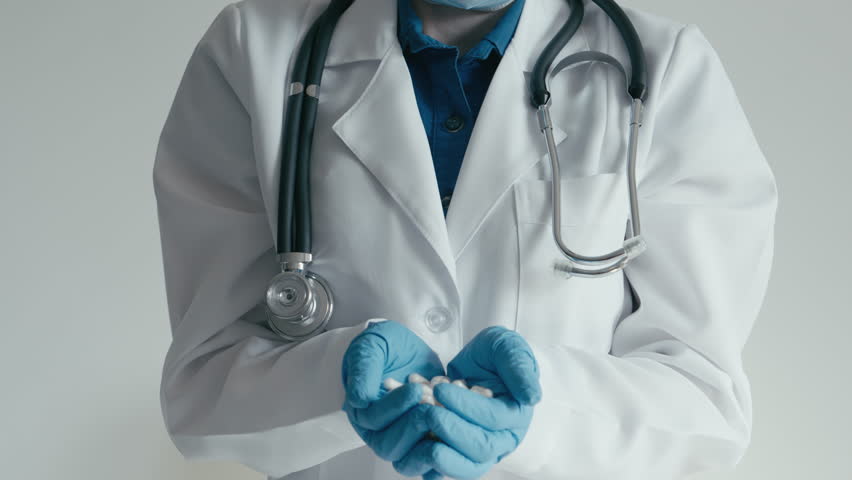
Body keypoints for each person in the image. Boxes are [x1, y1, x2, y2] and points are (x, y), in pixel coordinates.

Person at [152, 0, 778, 479]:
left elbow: (706, 401)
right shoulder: (254, 50)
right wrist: (332, 382)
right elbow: (202, 393)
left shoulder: (665, 67)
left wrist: (544, 406)